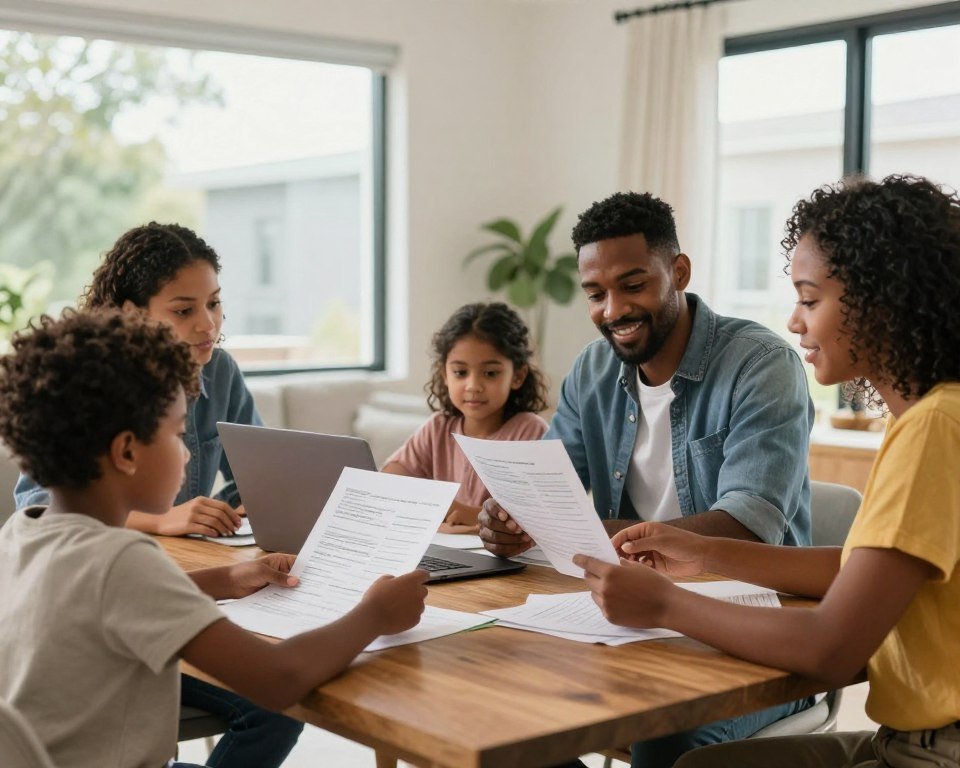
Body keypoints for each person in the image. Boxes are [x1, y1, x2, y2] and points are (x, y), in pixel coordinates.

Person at [575, 174, 960, 768]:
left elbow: (831, 648)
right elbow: (854, 568)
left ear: (884, 301)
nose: (796, 322)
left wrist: (664, 606)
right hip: (908, 740)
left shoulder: (935, 429)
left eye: (810, 300)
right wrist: (696, 551)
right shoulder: (931, 417)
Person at [0, 309, 429, 768]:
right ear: (127, 451)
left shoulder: (23, 532)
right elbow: (277, 679)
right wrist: (375, 614)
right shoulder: (122, 560)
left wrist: (226, 578)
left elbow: (97, 602)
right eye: (178, 433)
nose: (187, 452)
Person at [478, 191, 815, 767]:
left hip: (755, 630)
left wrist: (594, 533)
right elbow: (549, 481)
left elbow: (748, 525)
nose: (613, 310)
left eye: (633, 285)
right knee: (501, 703)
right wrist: (510, 516)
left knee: (668, 732)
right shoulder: (593, 368)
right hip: (629, 614)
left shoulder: (761, 366)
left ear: (677, 272)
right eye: (596, 293)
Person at [11, 222, 300, 767]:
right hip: (136, 610)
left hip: (149, 600)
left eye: (214, 304)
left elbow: (254, 478)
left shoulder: (222, 371)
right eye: (183, 309)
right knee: (274, 700)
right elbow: (38, 499)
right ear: (131, 312)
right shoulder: (94, 392)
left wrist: (232, 545)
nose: (207, 324)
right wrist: (162, 519)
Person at [383, 302, 549, 533]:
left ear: (518, 376)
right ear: (445, 375)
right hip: (444, 550)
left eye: (490, 373)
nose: (473, 386)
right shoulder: (438, 428)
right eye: (460, 373)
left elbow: (528, 521)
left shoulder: (530, 432)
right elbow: (390, 481)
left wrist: (456, 512)